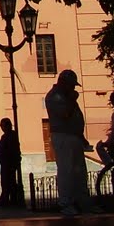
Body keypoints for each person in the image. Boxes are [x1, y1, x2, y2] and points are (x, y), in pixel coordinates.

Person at [45, 69, 95, 216]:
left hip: (74, 136)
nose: (73, 88)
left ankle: (82, 202)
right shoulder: (55, 97)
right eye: (71, 85)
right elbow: (65, 114)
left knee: (80, 172)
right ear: (63, 83)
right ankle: (65, 203)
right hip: (63, 136)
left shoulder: (66, 96)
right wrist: (72, 100)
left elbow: (75, 118)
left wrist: (81, 136)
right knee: (66, 170)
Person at [0, 118, 21, 208]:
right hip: (5, 164)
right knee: (6, 183)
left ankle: (6, 201)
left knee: (9, 183)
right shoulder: (5, 136)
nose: (1, 128)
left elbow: (12, 150)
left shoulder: (12, 136)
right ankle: (8, 200)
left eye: (2, 125)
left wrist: (13, 162)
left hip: (9, 164)